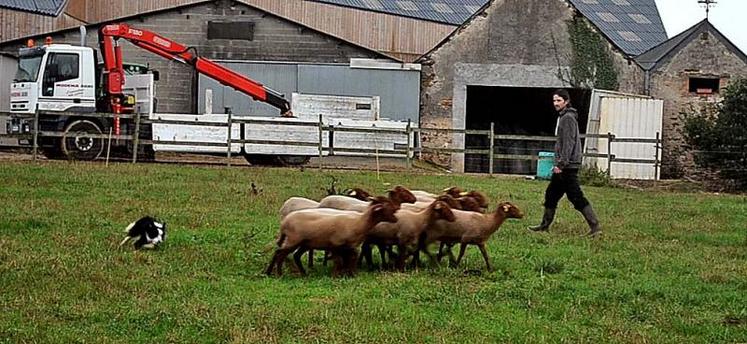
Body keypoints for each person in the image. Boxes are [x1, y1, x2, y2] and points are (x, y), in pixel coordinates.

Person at [529, 89, 601, 236]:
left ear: (566, 101)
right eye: (554, 100)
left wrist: (561, 164)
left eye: (559, 101)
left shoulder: (567, 118)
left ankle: (595, 227)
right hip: (564, 165)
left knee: (576, 196)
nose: (555, 103)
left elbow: (568, 142)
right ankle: (544, 225)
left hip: (568, 166)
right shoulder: (564, 117)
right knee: (551, 194)